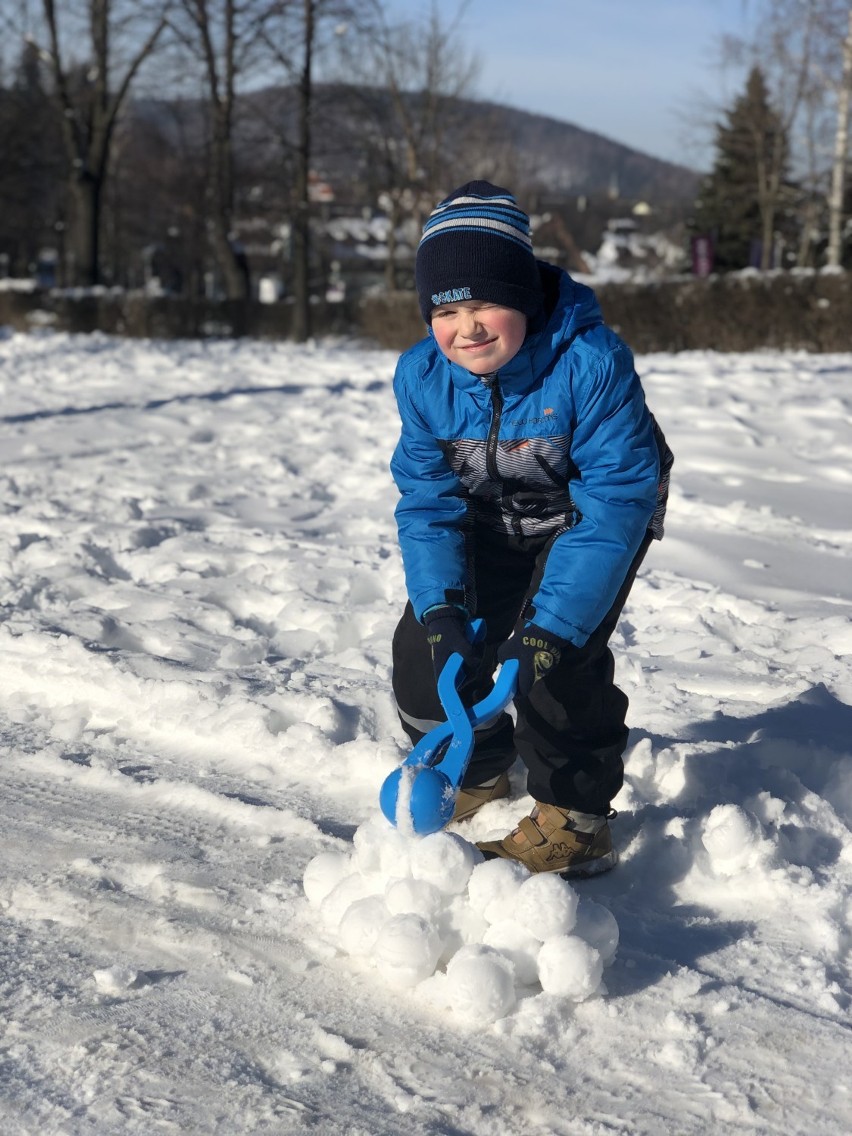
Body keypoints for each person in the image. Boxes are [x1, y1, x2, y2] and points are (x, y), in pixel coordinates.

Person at [389, 181, 672, 877]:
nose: (467, 327)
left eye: (484, 302)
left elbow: (614, 500)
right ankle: (476, 765)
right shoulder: (423, 379)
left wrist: (548, 628)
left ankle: (575, 819)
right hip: (488, 517)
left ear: (524, 296)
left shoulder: (590, 364)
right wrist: (441, 609)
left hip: (590, 522)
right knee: (431, 651)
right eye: (446, 310)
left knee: (554, 662)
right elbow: (427, 503)